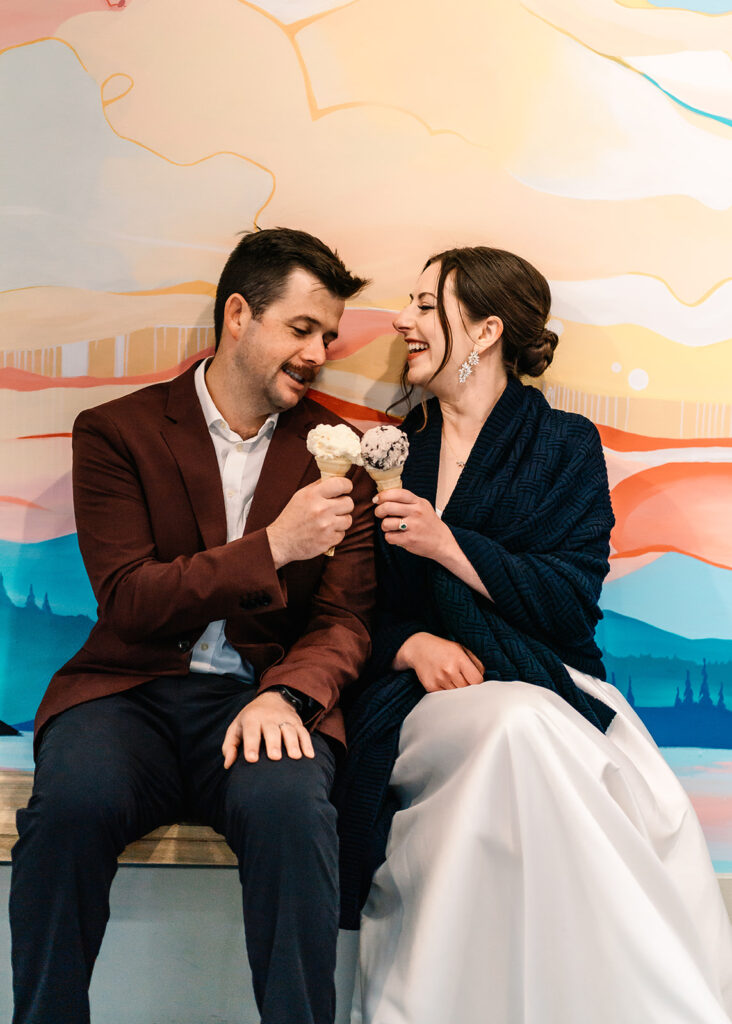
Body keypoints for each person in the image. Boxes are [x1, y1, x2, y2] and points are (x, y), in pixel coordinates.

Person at [336, 246, 732, 1023]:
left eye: (424, 305)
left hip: (546, 677)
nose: (401, 321)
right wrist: (410, 646)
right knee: (517, 727)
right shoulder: (390, 451)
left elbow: (568, 602)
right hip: (420, 699)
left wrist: (446, 545)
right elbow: (344, 610)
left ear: (483, 331)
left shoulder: (565, 446)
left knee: (535, 734)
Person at [9, 227, 376, 1024]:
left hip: (258, 700)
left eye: (329, 336)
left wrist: (291, 698)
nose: (319, 352)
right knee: (66, 810)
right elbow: (130, 597)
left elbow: (344, 620)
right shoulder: (116, 431)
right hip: (126, 693)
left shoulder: (338, 455)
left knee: (297, 815)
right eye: (302, 328)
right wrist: (275, 546)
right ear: (239, 315)